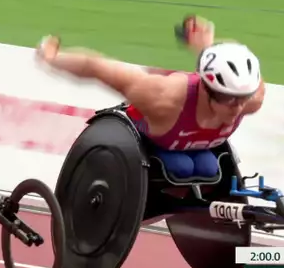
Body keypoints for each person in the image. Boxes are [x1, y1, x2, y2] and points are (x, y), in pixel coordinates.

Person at [35, 15, 265, 180]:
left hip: (194, 146)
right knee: (183, 167)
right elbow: (95, 67)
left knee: (207, 167)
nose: (238, 107)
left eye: (243, 97)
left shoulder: (252, 100)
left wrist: (205, 47)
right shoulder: (162, 98)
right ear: (207, 89)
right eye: (229, 98)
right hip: (152, 135)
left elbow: (235, 52)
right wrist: (52, 58)